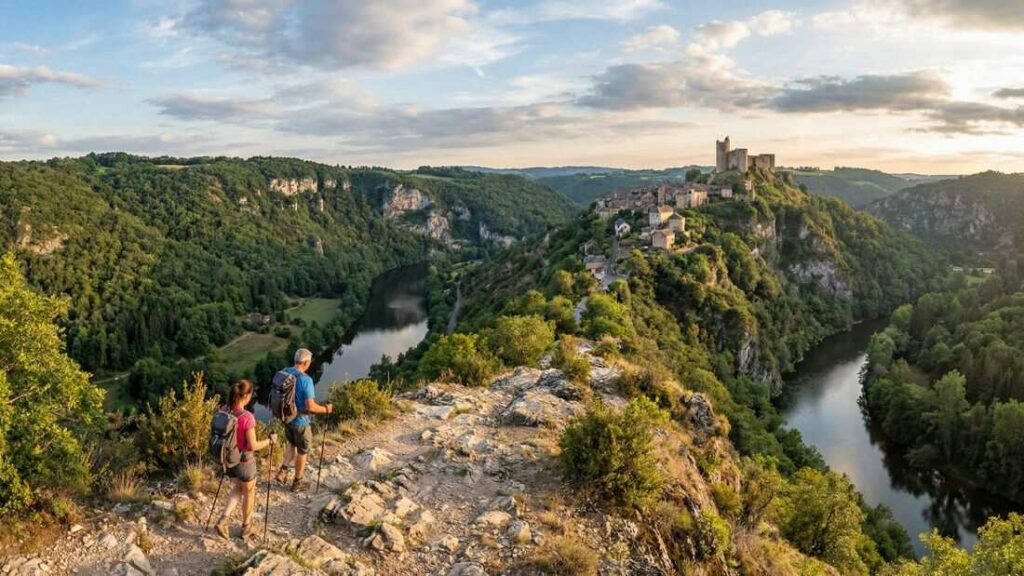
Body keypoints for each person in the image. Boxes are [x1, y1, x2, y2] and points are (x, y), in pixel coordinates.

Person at [215, 379, 277, 540]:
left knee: (237, 488)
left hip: (229, 460)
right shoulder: (247, 417)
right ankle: (246, 526)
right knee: (249, 492)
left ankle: (223, 520)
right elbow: (253, 445)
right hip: (245, 462)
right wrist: (270, 441)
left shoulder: (224, 410)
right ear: (247, 396)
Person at [274, 348, 333, 492]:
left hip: (286, 418)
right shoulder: (305, 380)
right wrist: (326, 410)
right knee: (302, 451)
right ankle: (297, 483)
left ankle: (283, 470)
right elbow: (311, 407)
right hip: (300, 422)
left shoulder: (284, 372)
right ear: (306, 362)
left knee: (291, 444)